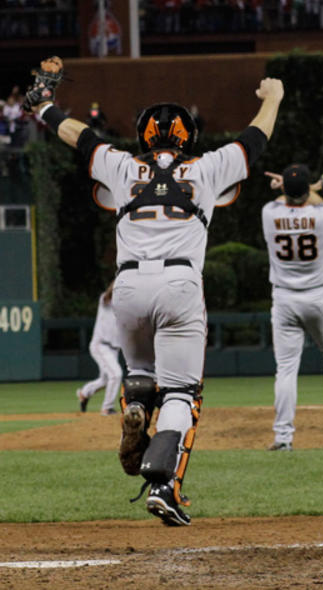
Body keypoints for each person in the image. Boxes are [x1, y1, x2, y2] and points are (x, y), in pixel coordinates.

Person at [23, 56, 284, 526]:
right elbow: (255, 139)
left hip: (127, 285)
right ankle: (165, 486)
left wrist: (44, 107)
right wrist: (274, 98)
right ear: (189, 137)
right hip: (179, 282)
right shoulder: (207, 169)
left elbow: (80, 137)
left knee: (139, 372)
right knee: (183, 393)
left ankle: (139, 405)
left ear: (144, 136)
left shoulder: (123, 167)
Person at [261, 163, 323, 451]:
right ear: (309, 189)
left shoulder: (269, 213)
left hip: (284, 299)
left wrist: (287, 187)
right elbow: (311, 199)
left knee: (286, 369)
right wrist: (314, 187)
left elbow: (288, 199)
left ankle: (283, 438)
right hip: (317, 296)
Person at [76, 281, 122, 415]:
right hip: (101, 345)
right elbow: (108, 294)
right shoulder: (106, 300)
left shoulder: (126, 305)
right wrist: (118, 282)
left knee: (105, 380)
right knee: (116, 374)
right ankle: (107, 407)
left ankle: (84, 393)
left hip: (114, 349)